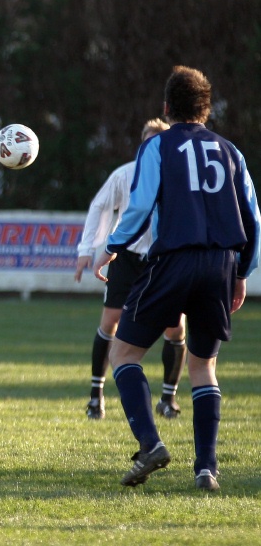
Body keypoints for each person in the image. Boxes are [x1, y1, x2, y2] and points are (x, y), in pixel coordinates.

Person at [93, 65, 261, 491]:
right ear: (206, 108)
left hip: (175, 260)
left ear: (167, 108)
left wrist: (113, 245)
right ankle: (207, 469)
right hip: (221, 263)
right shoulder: (231, 151)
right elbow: (253, 220)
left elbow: (140, 205)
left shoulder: (158, 147)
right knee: (204, 367)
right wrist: (241, 273)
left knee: (124, 353)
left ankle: (150, 444)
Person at [75, 119, 186, 420]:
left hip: (163, 260)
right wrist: (87, 249)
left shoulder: (179, 176)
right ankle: (96, 395)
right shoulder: (124, 175)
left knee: (175, 327)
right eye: (147, 143)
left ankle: (168, 398)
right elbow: (100, 207)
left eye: (158, 144)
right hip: (126, 259)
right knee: (110, 321)